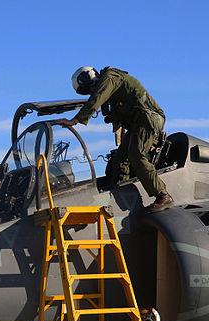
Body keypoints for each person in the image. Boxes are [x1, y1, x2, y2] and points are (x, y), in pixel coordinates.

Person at [55, 66, 173, 213]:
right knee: (120, 159)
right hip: (137, 123)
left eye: (90, 89)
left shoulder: (110, 78)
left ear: (93, 80)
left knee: (136, 155)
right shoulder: (110, 85)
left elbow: (98, 97)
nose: (91, 92)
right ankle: (122, 195)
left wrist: (76, 120)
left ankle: (163, 195)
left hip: (148, 118)